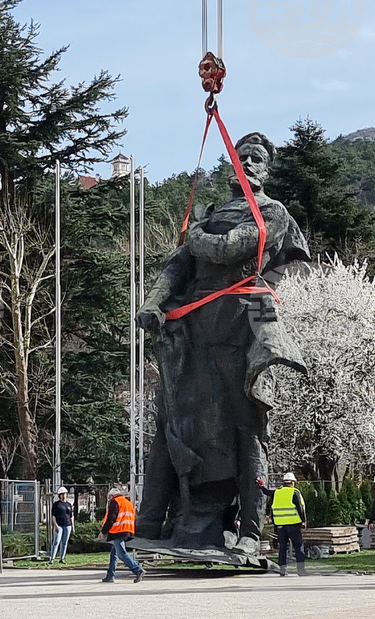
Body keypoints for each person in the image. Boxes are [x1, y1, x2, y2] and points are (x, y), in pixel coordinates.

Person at [136, 132, 309, 554]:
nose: (247, 163)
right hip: (195, 325)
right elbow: (176, 266)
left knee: (246, 421)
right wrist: (153, 302)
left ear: (267, 170)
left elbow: (231, 248)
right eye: (240, 156)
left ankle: (251, 530)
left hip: (243, 319)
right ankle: (152, 521)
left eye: (256, 159)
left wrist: (196, 236)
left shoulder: (272, 211)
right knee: (174, 417)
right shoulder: (211, 212)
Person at [258, 473, 307, 576]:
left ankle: (282, 570)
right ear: (293, 482)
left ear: (284, 482)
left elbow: (266, 491)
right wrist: (303, 521)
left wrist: (261, 485)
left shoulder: (277, 492)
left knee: (283, 547)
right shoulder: (295, 492)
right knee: (298, 547)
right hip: (293, 524)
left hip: (280, 526)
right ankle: (301, 570)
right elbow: (300, 508)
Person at [99, 488, 144, 583]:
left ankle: (138, 570)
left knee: (121, 554)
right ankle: (110, 575)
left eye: (110, 497)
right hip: (128, 530)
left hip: (118, 530)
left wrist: (103, 532)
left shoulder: (115, 502)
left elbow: (111, 519)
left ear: (112, 496)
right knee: (114, 553)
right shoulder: (127, 503)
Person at [49, 487, 73, 564]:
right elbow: (53, 516)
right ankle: (52, 558)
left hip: (67, 525)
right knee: (56, 541)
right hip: (59, 525)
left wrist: (73, 526)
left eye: (65, 494)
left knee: (64, 542)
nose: (64, 495)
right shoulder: (56, 504)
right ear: (59, 495)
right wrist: (55, 525)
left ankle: (62, 558)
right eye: (62, 494)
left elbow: (71, 516)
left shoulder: (69, 504)